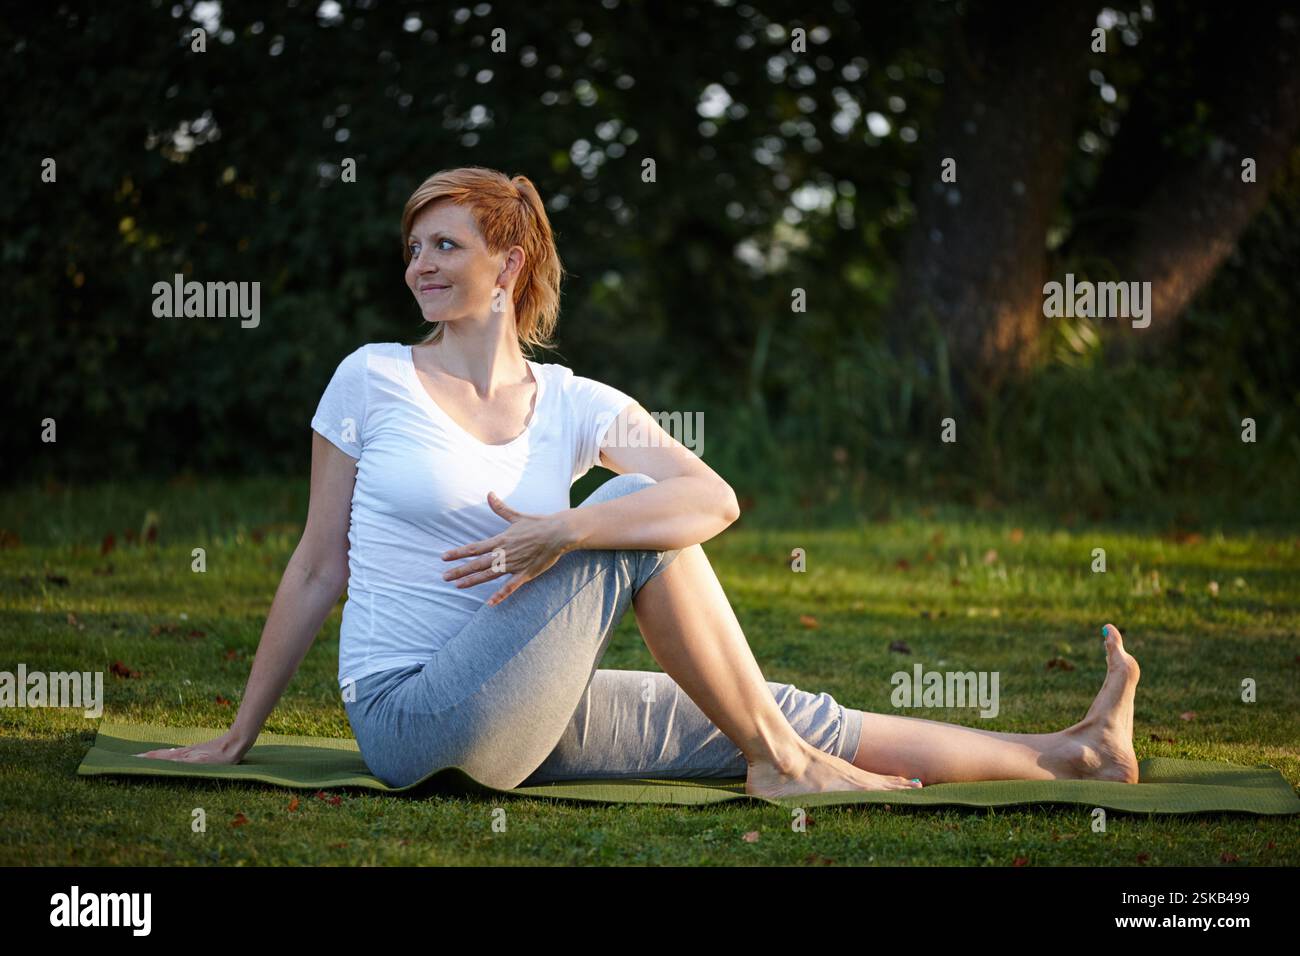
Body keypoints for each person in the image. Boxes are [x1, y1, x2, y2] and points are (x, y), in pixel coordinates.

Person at [137, 166, 1141, 797]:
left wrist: (557, 535)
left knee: (765, 696)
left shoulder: (572, 399)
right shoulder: (372, 376)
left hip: (527, 699)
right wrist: (239, 734)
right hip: (411, 719)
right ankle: (782, 769)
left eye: (444, 244)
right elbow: (319, 563)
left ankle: (1072, 751)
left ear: (508, 259)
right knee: (625, 513)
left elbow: (715, 499)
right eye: (413, 248)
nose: (418, 265)